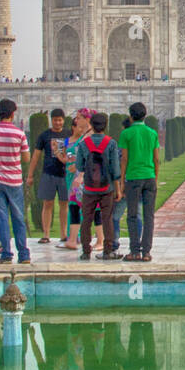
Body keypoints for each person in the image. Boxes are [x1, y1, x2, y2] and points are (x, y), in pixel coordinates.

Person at [0, 98, 32, 265]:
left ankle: (6, 254)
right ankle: (24, 255)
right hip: (14, 181)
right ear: (13, 114)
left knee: (2, 218)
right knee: (18, 217)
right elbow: (26, 158)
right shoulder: (19, 133)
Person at [76, 111, 122, 261]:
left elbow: (80, 166)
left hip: (89, 188)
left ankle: (85, 251)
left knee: (86, 219)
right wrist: (118, 188)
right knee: (107, 219)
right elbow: (115, 169)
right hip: (106, 188)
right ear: (105, 126)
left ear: (92, 126)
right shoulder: (111, 143)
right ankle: (108, 251)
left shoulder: (84, 144)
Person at [119, 101, 161, 263]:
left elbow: (124, 159)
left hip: (134, 178)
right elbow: (156, 159)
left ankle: (134, 251)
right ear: (145, 115)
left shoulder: (127, 133)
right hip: (149, 176)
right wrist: (155, 178)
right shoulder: (152, 133)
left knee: (132, 215)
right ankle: (147, 253)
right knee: (149, 216)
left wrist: (122, 181)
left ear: (131, 116)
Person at [25, 108, 70, 246]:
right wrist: (30, 175)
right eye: (55, 120)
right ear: (52, 120)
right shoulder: (45, 135)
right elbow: (36, 156)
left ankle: (63, 234)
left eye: (60, 120)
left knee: (64, 204)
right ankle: (46, 234)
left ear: (63, 120)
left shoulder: (69, 134)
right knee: (47, 203)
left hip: (65, 174)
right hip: (49, 173)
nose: (57, 122)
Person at [60, 108, 91, 251]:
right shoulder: (77, 137)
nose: (76, 121)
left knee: (84, 208)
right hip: (76, 176)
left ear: (87, 119)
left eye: (79, 118)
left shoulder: (89, 135)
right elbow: (64, 157)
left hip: (83, 178)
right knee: (74, 206)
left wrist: (81, 173)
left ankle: (84, 240)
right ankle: (73, 239)